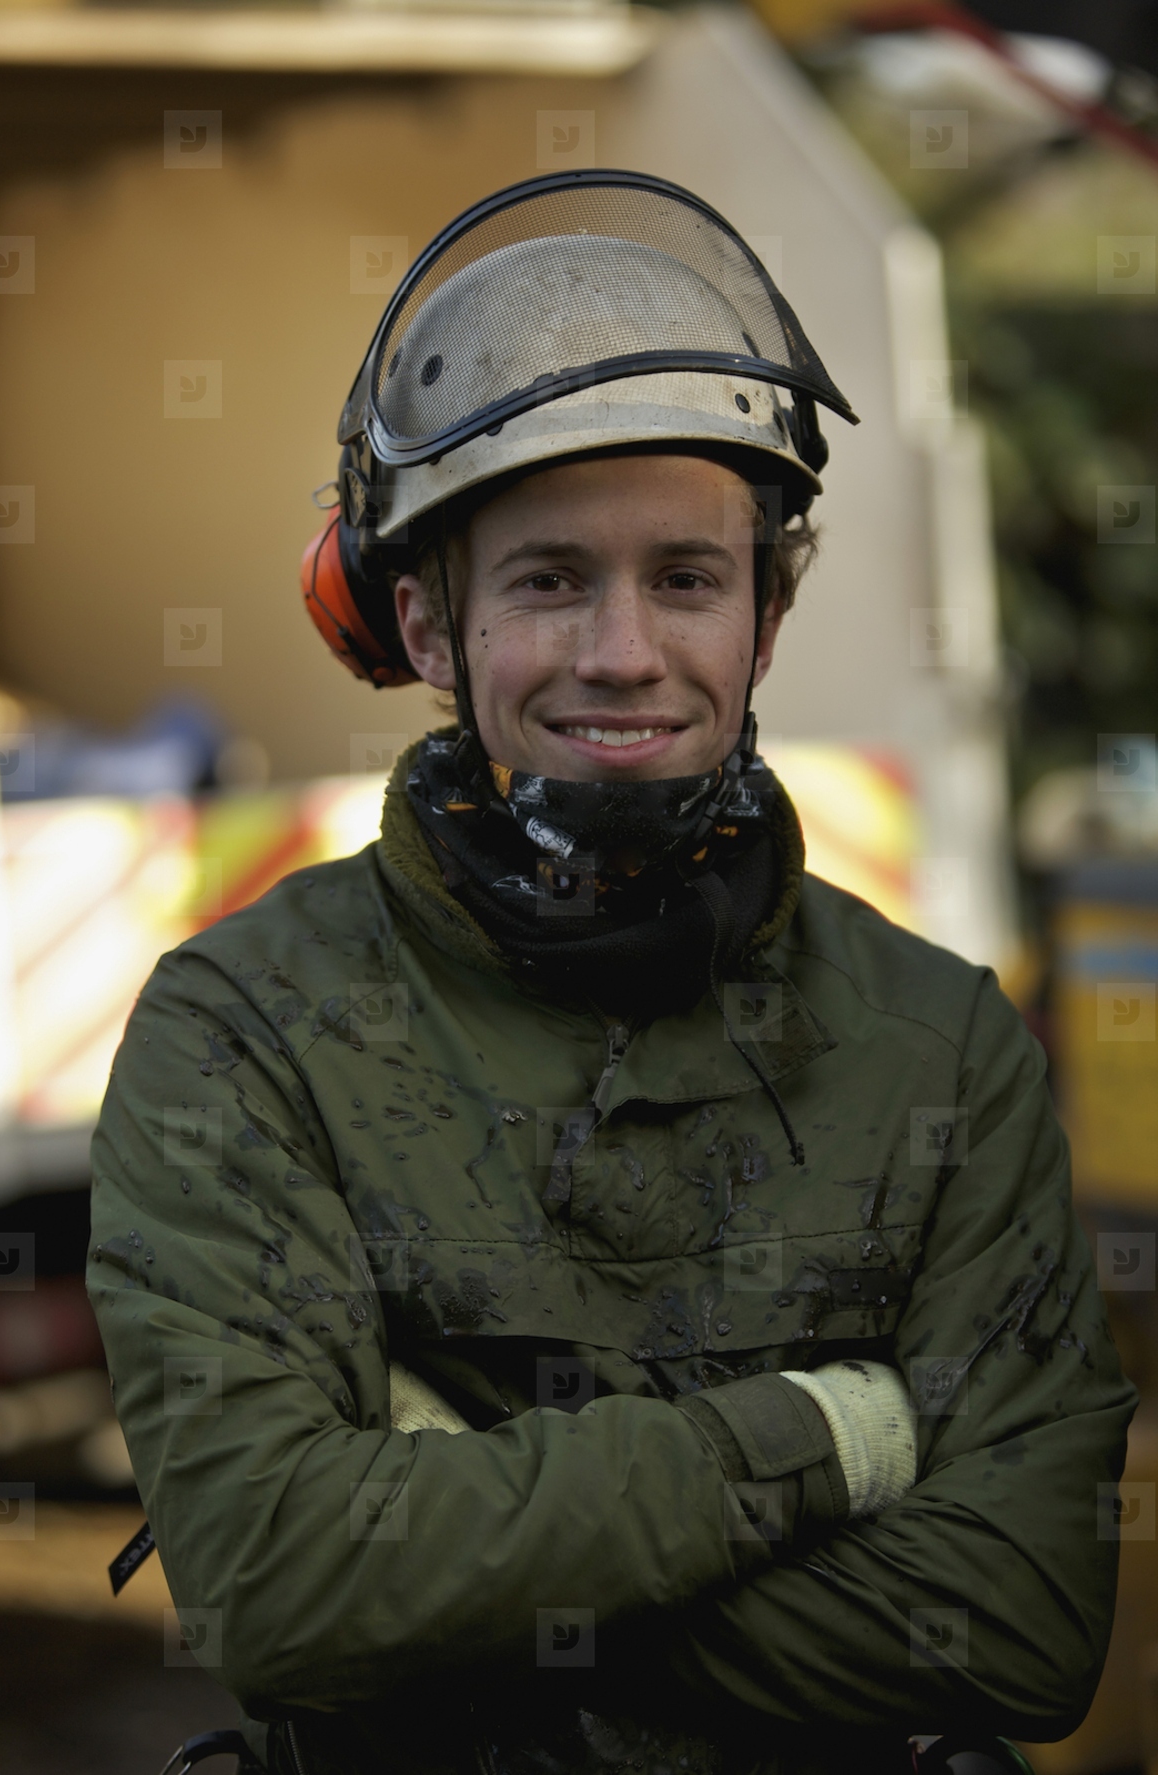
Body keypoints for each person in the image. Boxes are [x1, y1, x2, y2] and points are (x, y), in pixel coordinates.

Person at [88, 172, 1134, 1775]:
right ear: (427, 628)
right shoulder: (251, 1030)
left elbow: (1020, 1620)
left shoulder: (938, 1046)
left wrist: (456, 1553)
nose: (625, 652)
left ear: (768, 619)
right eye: (551, 579)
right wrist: (832, 1434)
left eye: (689, 580)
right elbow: (281, 1589)